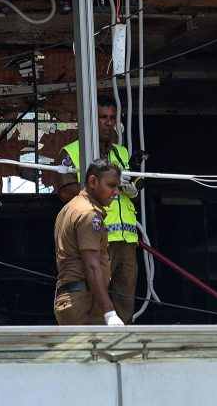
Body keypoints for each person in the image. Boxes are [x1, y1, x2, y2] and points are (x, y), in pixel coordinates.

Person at [57, 95, 140, 323]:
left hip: (127, 237)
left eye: (112, 118)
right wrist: (101, 186)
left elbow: (139, 184)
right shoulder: (72, 151)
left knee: (125, 302)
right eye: (103, 117)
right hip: (97, 237)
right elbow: (64, 192)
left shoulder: (121, 153)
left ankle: (120, 348)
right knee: (95, 300)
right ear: (90, 120)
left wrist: (132, 186)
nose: (109, 123)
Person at [53, 158, 125, 326]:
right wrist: (109, 313)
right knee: (92, 351)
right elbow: (91, 266)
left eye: (118, 187)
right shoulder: (89, 215)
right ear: (93, 181)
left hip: (72, 297)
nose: (116, 192)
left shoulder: (69, 208)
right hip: (84, 302)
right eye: (111, 185)